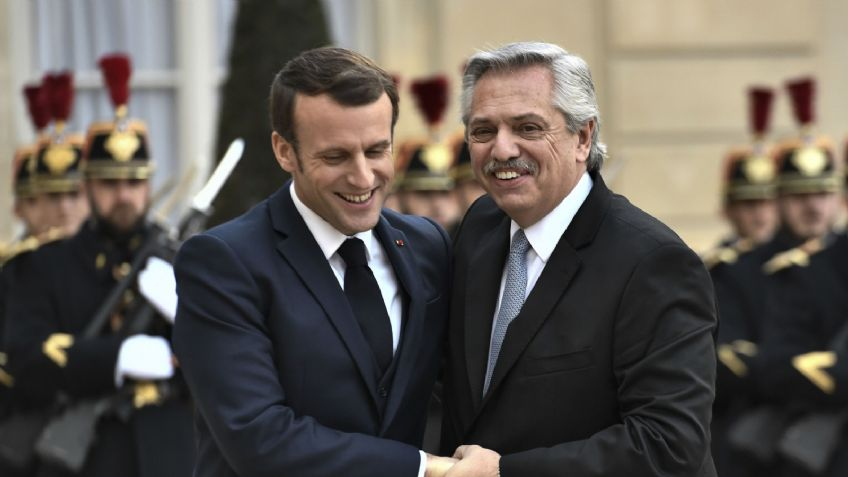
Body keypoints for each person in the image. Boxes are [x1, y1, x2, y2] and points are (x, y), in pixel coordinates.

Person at [172, 47, 454, 477]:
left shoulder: (426, 245)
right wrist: (426, 469)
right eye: (336, 156)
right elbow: (259, 437)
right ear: (285, 151)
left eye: (377, 150)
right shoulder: (223, 264)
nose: (363, 177)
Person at [439, 42, 718, 476]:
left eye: (528, 128)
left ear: (583, 138)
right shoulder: (479, 228)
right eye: (483, 131)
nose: (502, 149)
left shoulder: (652, 262)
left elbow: (668, 443)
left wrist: (505, 472)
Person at [3, 54, 194, 477]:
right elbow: (25, 357)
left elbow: (239, 366)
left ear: (148, 184)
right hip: (88, 459)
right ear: (88, 184)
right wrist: (116, 357)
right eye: (109, 182)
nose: (123, 195)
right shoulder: (45, 265)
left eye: (134, 182)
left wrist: (192, 320)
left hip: (174, 453)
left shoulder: (186, 262)